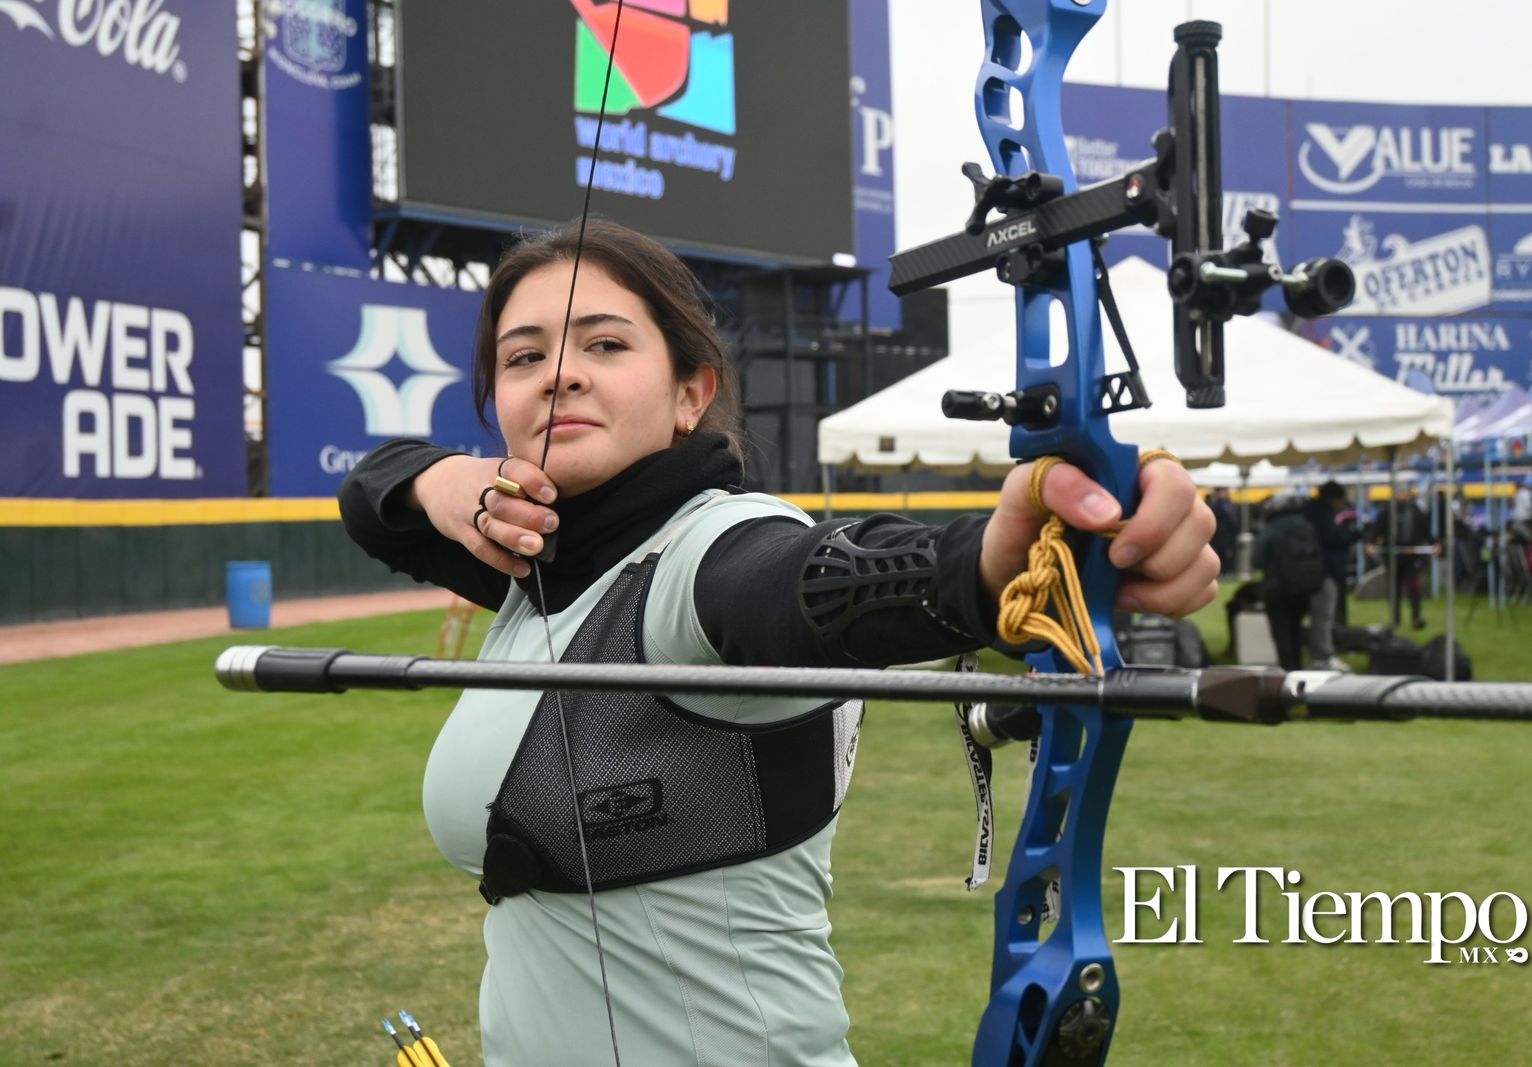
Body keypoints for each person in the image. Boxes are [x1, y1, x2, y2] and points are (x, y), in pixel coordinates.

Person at [337, 219, 1219, 1067]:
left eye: (605, 345)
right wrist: (436, 478)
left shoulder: (706, 557)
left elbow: (811, 582)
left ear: (692, 392)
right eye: (524, 357)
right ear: (497, 401)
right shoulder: (536, 572)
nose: (559, 374)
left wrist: (989, 567)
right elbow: (370, 500)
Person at [1251, 489, 1324, 670]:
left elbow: (1257, 560)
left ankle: (1286, 670)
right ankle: (1298, 668)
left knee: (1281, 631)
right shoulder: (1308, 525)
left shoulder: (1271, 528)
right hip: (1303, 588)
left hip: (1276, 588)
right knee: (1296, 629)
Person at [1302, 479, 1358, 670]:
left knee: (1323, 616)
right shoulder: (1321, 516)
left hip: (1315, 572)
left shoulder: (1312, 512)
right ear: (1332, 499)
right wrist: (1349, 535)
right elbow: (1331, 538)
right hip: (1323, 572)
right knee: (1323, 616)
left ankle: (1322, 653)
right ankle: (1322, 656)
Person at [1367, 485, 1436, 630]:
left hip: (1411, 555)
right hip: (1393, 555)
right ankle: (1395, 619)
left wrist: (1434, 544)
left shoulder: (1415, 511)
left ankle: (1416, 618)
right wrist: (1370, 542)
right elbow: (1377, 529)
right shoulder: (1388, 511)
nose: (1402, 496)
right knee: (1394, 589)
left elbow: (1425, 531)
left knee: (1414, 587)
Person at [1207, 487, 1239, 576]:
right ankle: (1223, 571)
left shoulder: (1226, 504)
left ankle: (1226, 570)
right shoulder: (1217, 505)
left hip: (1226, 534)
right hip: (1221, 534)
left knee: (1226, 553)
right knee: (1222, 553)